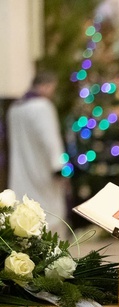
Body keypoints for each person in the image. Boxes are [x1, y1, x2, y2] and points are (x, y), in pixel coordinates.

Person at [7, 71, 68, 236]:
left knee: (25, 211)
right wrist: (60, 167)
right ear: (45, 86)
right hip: (43, 171)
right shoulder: (42, 106)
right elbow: (50, 140)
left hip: (22, 169)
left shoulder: (15, 108)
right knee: (50, 214)